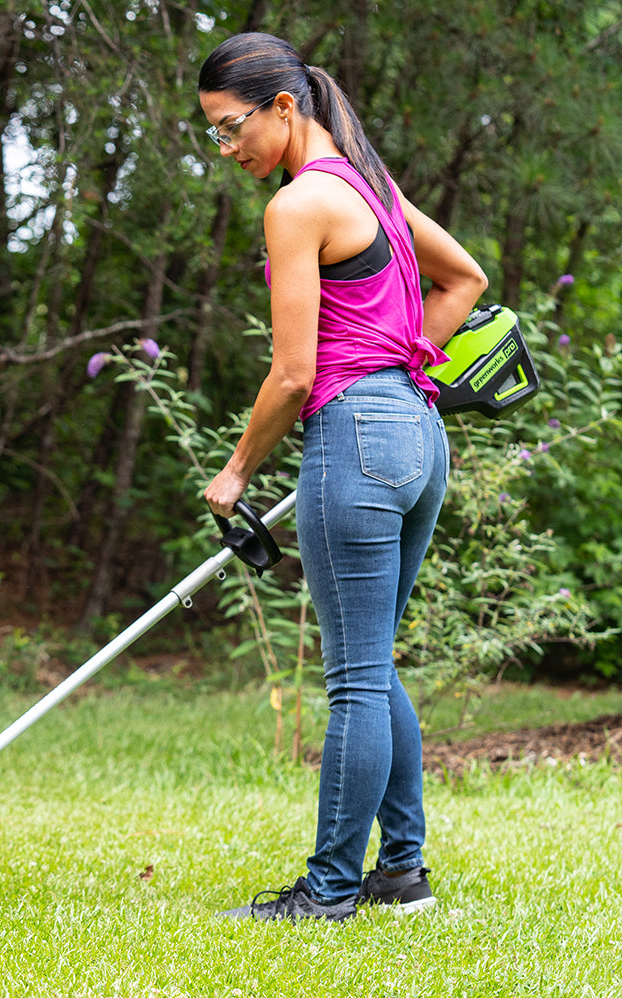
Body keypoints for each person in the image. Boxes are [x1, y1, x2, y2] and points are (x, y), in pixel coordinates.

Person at [198, 33, 488, 922]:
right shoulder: (376, 192)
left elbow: (292, 374)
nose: (227, 148)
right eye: (212, 134)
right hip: (420, 435)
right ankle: (401, 873)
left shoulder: (298, 206)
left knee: (356, 677)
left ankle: (327, 892)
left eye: (230, 126)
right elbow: (464, 278)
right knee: (376, 666)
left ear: (286, 107)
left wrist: (235, 472)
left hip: (357, 435)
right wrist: (405, 368)